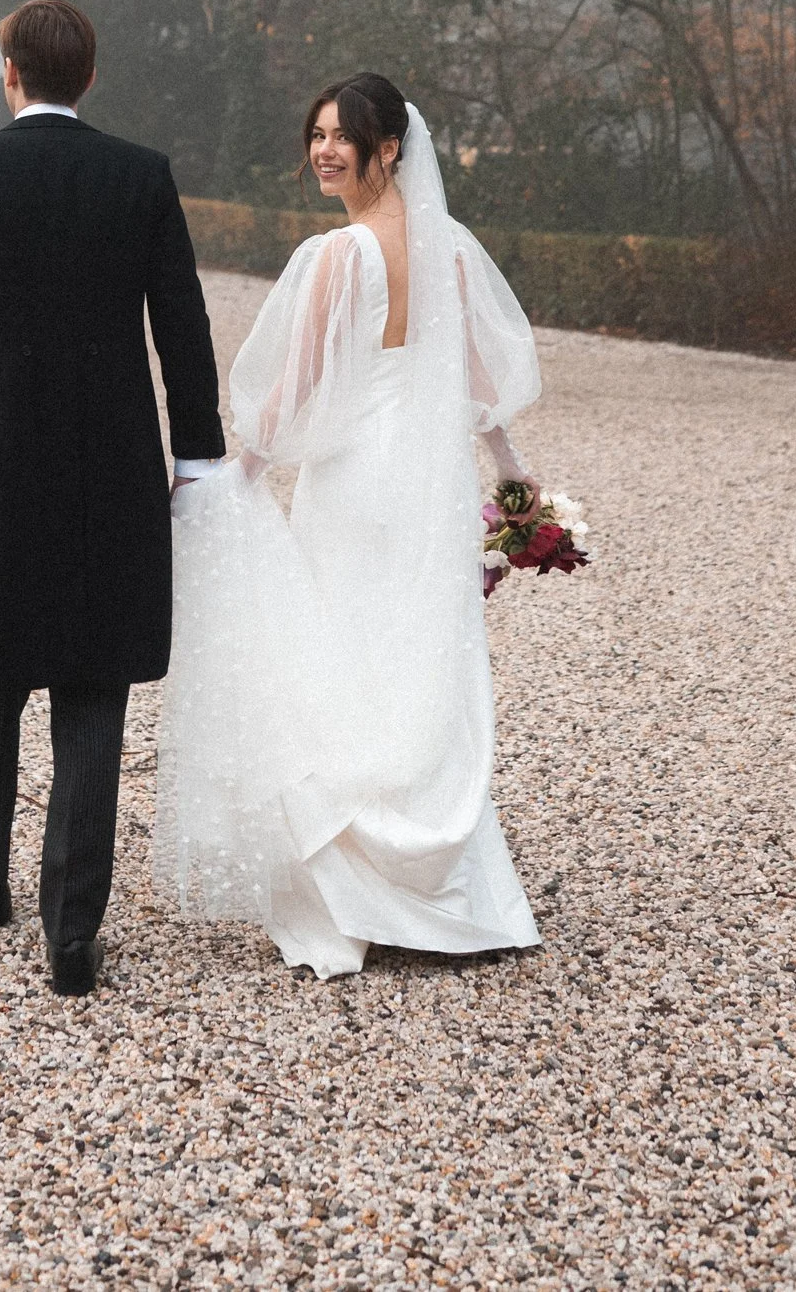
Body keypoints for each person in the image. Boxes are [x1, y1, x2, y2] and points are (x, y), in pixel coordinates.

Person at [155, 72, 543, 979]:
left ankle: (358, 885)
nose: (324, 151)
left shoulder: (333, 259)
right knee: (421, 660)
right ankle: (438, 877)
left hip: (354, 485)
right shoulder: (450, 251)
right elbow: (483, 384)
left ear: (391, 149)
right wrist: (516, 482)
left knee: (346, 661)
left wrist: (234, 475)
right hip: (431, 488)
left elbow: (292, 395)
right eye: (317, 134)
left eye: (342, 137)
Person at [0, 0, 225, 995]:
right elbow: (183, 327)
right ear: (89, 75)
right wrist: (196, 457)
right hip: (112, 462)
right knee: (91, 682)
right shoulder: (139, 176)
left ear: (9, 73)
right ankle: (69, 930)